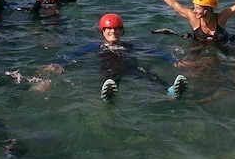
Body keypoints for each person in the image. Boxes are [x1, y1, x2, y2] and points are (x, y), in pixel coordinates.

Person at [53, 13, 187, 101]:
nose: (113, 31)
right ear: (103, 32)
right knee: (109, 81)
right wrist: (60, 63)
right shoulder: (97, 46)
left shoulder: (128, 45)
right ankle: (108, 97)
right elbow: (77, 54)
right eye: (109, 29)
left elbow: (152, 50)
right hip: (110, 69)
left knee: (150, 76)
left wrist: (172, 61)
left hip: (131, 67)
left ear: (122, 31)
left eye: (116, 28)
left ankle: (170, 90)